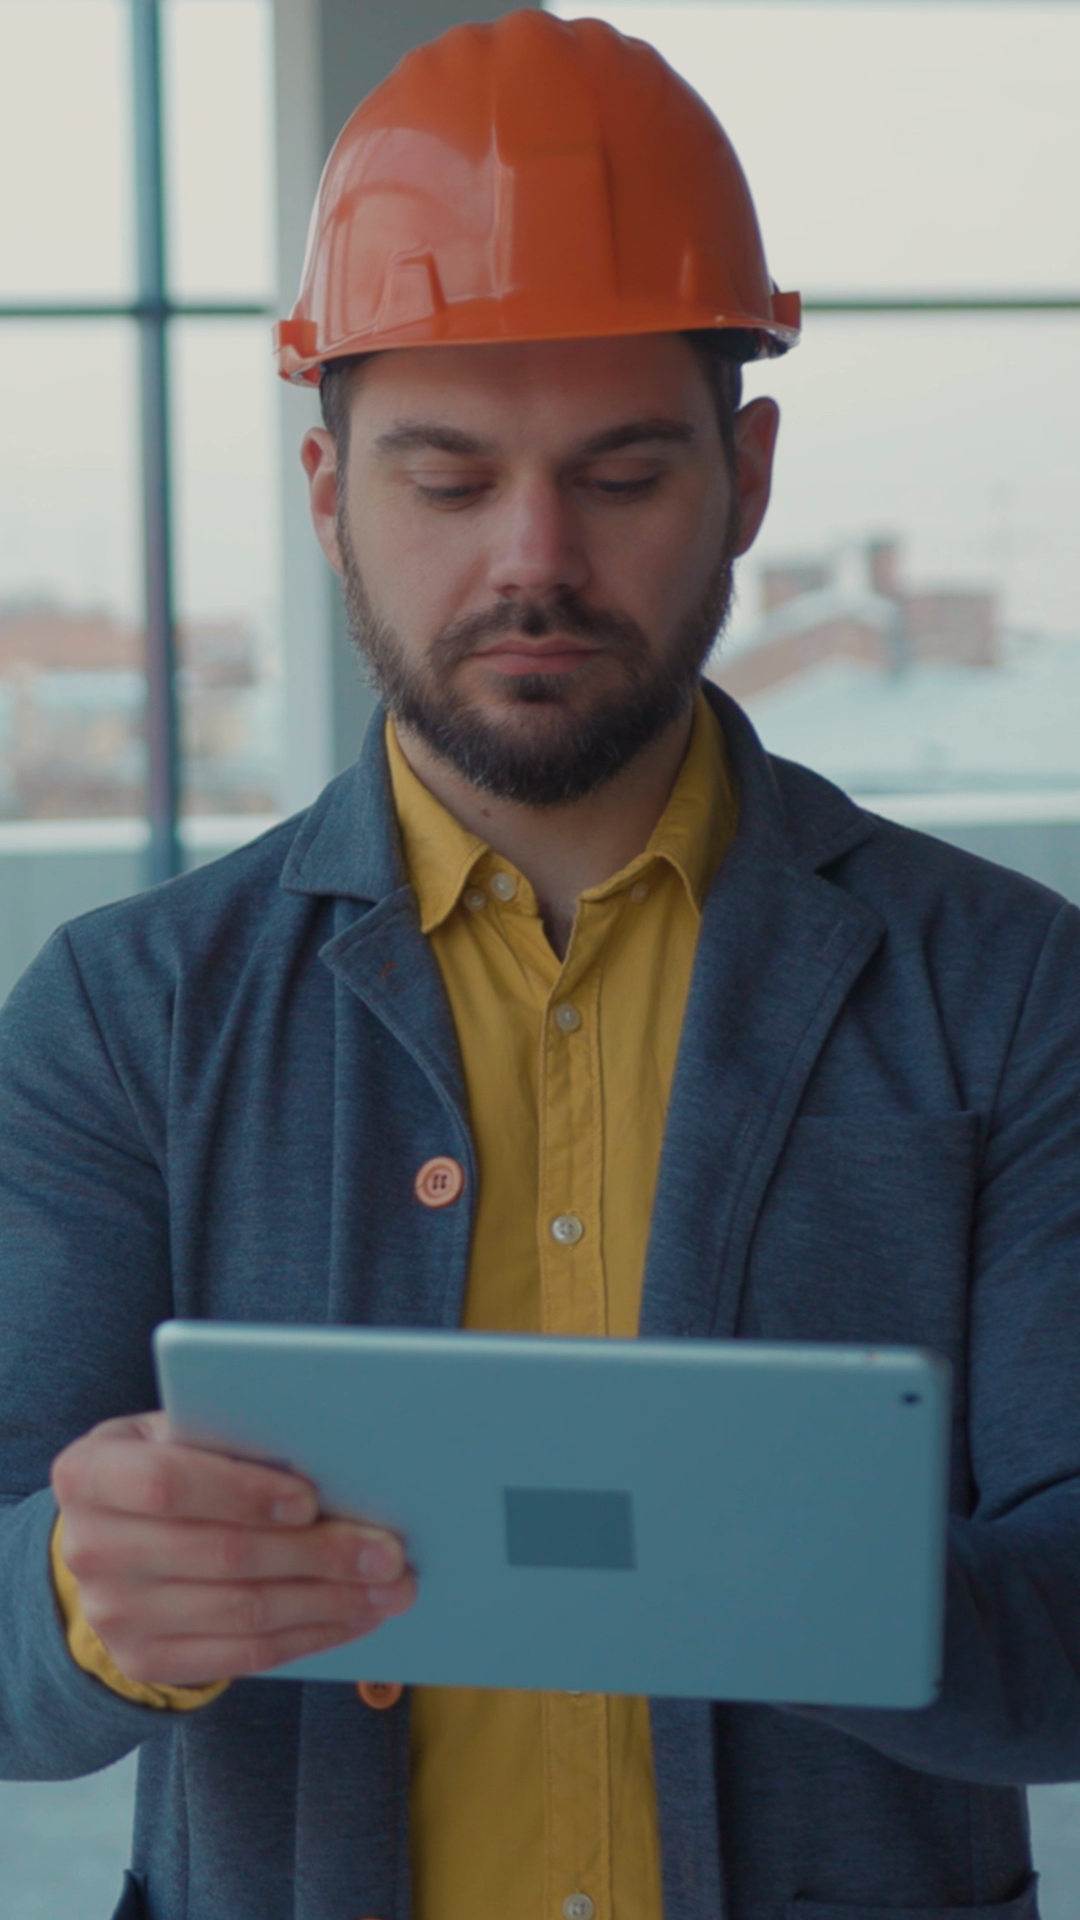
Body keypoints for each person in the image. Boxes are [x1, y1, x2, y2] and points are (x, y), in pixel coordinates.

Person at [0, 11, 1077, 1920]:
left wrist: (786, 1563)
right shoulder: (126, 1013)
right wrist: (90, 1599)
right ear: (326, 493)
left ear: (748, 478)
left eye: (623, 474)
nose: (535, 560)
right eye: (445, 480)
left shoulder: (1007, 993)